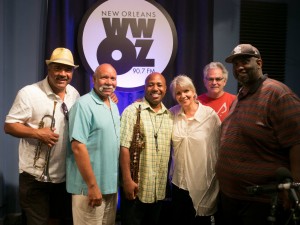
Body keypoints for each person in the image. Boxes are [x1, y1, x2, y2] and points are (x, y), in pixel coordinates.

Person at [215, 44, 300, 225]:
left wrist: (294, 188)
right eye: (236, 64)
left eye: (245, 61)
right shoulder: (241, 95)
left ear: (259, 63)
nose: (239, 67)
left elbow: (297, 143)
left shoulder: (278, 94)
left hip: (260, 202)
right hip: (231, 197)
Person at [4, 47, 79, 225]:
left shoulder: (74, 94)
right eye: (57, 68)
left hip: (62, 176)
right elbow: (9, 126)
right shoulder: (29, 93)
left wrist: (109, 98)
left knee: (56, 220)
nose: (63, 74)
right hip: (34, 177)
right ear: (49, 68)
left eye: (67, 69)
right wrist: (37, 133)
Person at [66, 63, 120, 225]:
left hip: (110, 189)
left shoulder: (113, 106)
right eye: (104, 77)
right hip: (89, 189)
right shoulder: (83, 105)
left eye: (113, 78)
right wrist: (92, 186)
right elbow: (77, 147)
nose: (109, 82)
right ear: (94, 79)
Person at [119, 72, 173, 225]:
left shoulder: (170, 116)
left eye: (159, 85)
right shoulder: (132, 111)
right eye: (151, 85)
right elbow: (123, 148)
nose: (155, 88)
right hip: (136, 189)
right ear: (145, 88)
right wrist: (127, 181)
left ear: (165, 89)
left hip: (158, 191)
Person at [169, 75, 221, 225]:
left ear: (194, 92)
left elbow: (218, 149)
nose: (183, 96)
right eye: (178, 93)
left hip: (202, 183)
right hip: (178, 182)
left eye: (186, 91)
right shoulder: (172, 114)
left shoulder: (210, 116)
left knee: (200, 221)